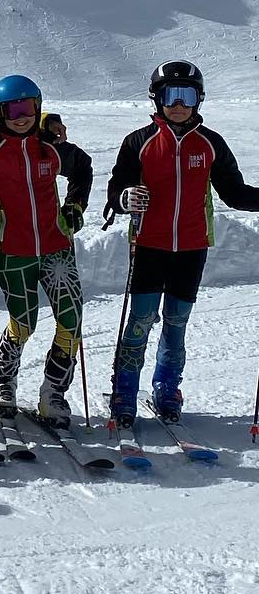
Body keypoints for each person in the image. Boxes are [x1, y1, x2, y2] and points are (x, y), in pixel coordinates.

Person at [104, 62, 259, 425]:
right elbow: (115, 190)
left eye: (186, 95)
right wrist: (125, 198)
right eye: (169, 95)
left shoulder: (210, 144)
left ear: (198, 100)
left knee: (177, 322)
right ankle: (125, 390)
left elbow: (234, 193)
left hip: (191, 248)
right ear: (156, 100)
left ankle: (167, 388)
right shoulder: (138, 142)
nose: (178, 104)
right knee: (140, 321)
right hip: (149, 245)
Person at [0, 77, 92, 427]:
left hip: (56, 248)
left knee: (71, 319)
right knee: (24, 322)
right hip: (12, 250)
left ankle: (53, 392)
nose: (21, 117)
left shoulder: (48, 146)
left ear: (37, 106)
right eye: (12, 110)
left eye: (28, 108)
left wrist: (75, 206)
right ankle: (3, 383)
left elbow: (83, 168)